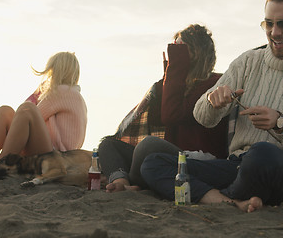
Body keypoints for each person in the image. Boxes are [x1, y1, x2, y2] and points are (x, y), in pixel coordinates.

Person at [141, 0, 283, 212]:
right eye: (269, 23)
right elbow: (201, 116)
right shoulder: (248, 61)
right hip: (237, 166)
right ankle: (227, 201)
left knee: (262, 154)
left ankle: (219, 195)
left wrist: (282, 124)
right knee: (153, 162)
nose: (275, 32)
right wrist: (213, 101)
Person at [98, 24, 229, 192]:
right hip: (168, 155)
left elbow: (171, 115)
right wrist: (168, 77)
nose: (173, 51)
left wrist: (175, 70)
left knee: (148, 145)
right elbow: (157, 118)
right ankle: (122, 182)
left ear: (196, 52)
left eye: (179, 47)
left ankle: (137, 182)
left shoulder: (215, 83)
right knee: (108, 144)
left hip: (197, 159)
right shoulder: (178, 84)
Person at [0, 51, 87, 169]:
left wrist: (36, 95)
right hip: (58, 155)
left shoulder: (62, 91)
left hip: (56, 158)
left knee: (25, 110)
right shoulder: (76, 95)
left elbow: (27, 115)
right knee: (6, 112)